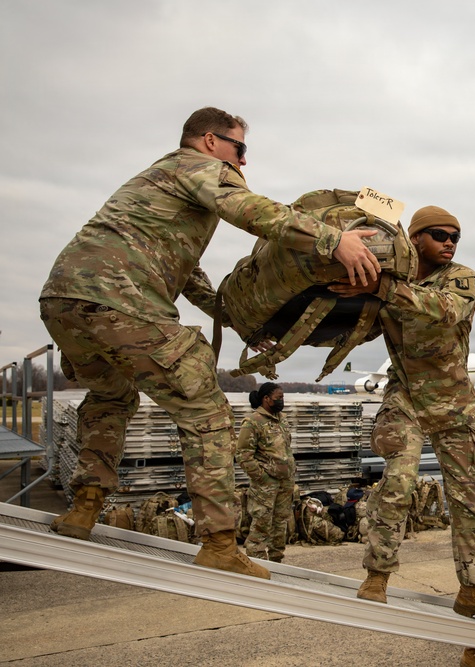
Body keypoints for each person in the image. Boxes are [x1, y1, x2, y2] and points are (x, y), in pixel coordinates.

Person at [41, 107, 380, 579]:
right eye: (239, 149)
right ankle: (219, 542)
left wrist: (232, 316)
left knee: (110, 397)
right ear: (208, 140)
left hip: (65, 300)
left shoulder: (157, 182)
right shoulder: (200, 167)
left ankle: (84, 507)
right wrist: (331, 240)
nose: (242, 163)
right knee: (206, 414)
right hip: (123, 300)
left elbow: (184, 271)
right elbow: (252, 210)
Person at [338, 206, 475, 647]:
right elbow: (353, 325)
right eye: (439, 234)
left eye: (456, 235)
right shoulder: (386, 278)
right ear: (415, 239)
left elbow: (444, 311)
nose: (450, 241)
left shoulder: (461, 277)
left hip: (453, 400)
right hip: (406, 394)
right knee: (398, 482)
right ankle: (377, 575)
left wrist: (384, 286)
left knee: (471, 500)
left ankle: (473, 590)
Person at [235, 383, 293, 563]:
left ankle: (276, 561)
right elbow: (243, 455)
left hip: (285, 482)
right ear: (266, 399)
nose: (281, 400)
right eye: (278, 397)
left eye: (282, 397)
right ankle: (256, 562)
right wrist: (261, 476)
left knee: (280, 523)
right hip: (265, 484)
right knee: (261, 523)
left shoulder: (282, 419)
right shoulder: (253, 422)